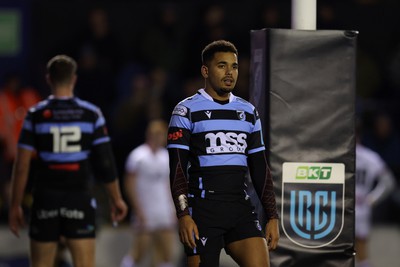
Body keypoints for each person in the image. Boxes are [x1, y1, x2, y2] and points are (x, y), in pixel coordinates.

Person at [167, 40, 279, 267]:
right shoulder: (185, 110)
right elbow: (177, 169)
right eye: (222, 66)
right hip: (203, 211)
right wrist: (183, 215)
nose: (230, 72)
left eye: (235, 66)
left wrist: (273, 216)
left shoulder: (248, 112)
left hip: (240, 207)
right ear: (205, 71)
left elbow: (260, 168)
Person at [8, 55, 128, 267]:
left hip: (45, 198)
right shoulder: (91, 114)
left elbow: (22, 166)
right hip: (78, 197)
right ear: (73, 79)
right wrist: (116, 199)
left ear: (48, 79)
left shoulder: (35, 114)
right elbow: (106, 163)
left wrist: (15, 204)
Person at [120, 119, 178, 267]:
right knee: (140, 252)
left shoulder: (166, 157)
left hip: (164, 209)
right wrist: (138, 209)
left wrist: (173, 208)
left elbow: (169, 185)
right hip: (145, 209)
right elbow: (129, 185)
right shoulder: (138, 156)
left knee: (166, 253)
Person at [355, 122, 396, 267]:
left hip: (344, 206)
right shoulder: (370, 157)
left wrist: (372, 199)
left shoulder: (338, 155)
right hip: (361, 207)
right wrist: (372, 198)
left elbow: (389, 182)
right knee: (361, 249)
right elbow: (389, 182)